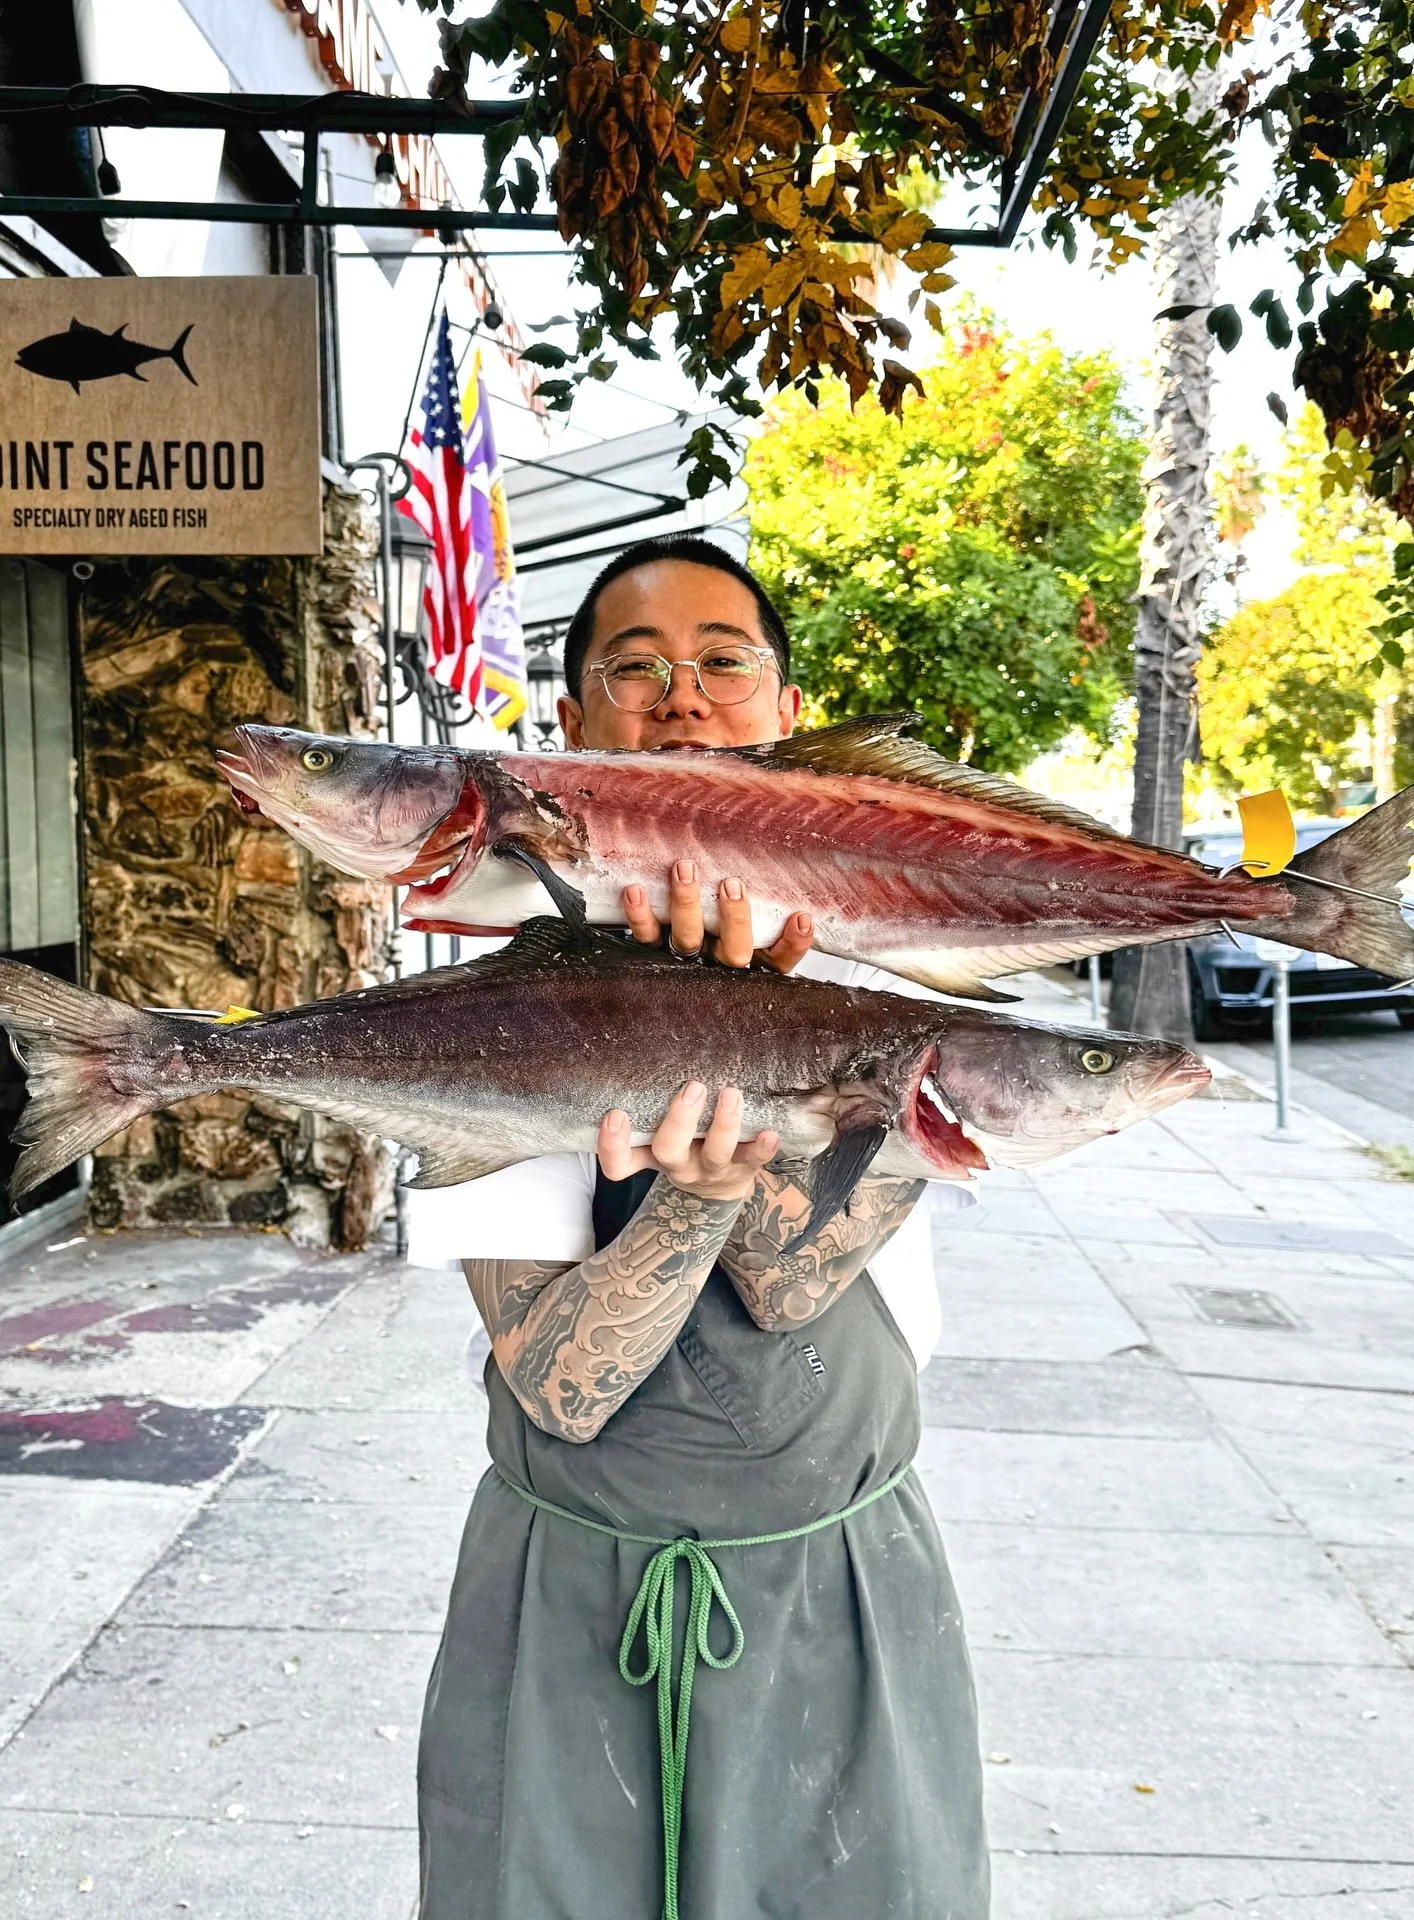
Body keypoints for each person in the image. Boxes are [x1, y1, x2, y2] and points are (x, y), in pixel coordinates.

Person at [413, 534, 989, 1920]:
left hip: (840, 1587)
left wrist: (745, 1036)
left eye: (724, 664)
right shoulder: (491, 998)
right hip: (569, 1611)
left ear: (790, 715)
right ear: (569, 732)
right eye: (636, 668)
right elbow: (562, 1384)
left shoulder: (882, 967)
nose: (683, 695)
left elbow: (795, 1296)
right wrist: (688, 1194)